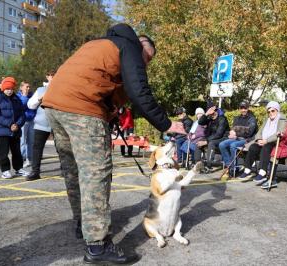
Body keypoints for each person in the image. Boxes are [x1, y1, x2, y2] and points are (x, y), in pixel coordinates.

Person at [41, 24, 185, 264]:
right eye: (147, 59)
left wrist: (111, 112)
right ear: (141, 47)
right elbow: (139, 91)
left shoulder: (99, 45)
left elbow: (99, 84)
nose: (145, 65)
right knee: (95, 174)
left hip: (55, 105)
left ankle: (82, 224)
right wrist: (165, 124)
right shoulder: (130, 47)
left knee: (74, 171)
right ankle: (98, 246)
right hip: (81, 108)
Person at [0, 77, 29, 179]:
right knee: (4, 152)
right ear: (3, 89)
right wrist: (10, 124)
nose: (9, 91)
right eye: (7, 89)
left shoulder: (17, 99)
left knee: (17, 152)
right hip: (2, 132)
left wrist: (17, 124)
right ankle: (5, 171)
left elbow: (22, 114)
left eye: (11, 89)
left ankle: (18, 169)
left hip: (15, 130)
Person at [238, 101, 287, 182]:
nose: (270, 113)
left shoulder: (282, 119)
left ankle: (262, 172)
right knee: (253, 147)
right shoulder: (267, 120)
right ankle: (247, 169)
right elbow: (259, 132)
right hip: (263, 141)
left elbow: (279, 133)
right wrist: (259, 139)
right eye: (268, 111)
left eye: (273, 111)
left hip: (275, 142)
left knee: (266, 147)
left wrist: (266, 141)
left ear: (277, 110)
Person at [25, 71, 55, 181]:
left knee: (63, 148)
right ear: (47, 76)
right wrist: (39, 99)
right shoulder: (40, 90)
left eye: (54, 74)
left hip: (57, 124)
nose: (52, 77)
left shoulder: (63, 88)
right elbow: (30, 105)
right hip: (41, 124)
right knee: (37, 148)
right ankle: (35, 172)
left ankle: (66, 170)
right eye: (50, 75)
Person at [219, 101, 257, 175]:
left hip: (246, 140)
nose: (243, 110)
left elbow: (249, 132)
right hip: (236, 138)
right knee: (222, 144)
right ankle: (229, 165)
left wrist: (236, 132)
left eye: (245, 108)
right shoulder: (237, 118)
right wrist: (232, 133)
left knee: (233, 145)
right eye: (241, 108)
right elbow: (233, 129)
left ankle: (233, 169)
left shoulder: (252, 118)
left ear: (248, 108)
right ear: (239, 109)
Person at [195, 102, 230, 173]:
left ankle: (209, 166)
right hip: (212, 138)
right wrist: (206, 114)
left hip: (223, 138)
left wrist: (206, 141)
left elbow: (219, 134)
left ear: (215, 110)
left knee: (211, 143)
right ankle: (198, 164)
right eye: (209, 112)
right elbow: (200, 122)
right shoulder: (209, 119)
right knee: (199, 142)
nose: (211, 115)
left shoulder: (222, 119)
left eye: (212, 112)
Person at [17, 81, 36, 168]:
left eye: (29, 87)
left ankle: (29, 159)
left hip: (31, 121)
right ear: (21, 88)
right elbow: (21, 106)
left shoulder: (32, 95)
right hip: (23, 121)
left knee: (31, 141)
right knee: (22, 141)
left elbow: (35, 107)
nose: (28, 88)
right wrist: (24, 96)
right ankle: (21, 159)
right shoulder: (18, 96)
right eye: (26, 87)